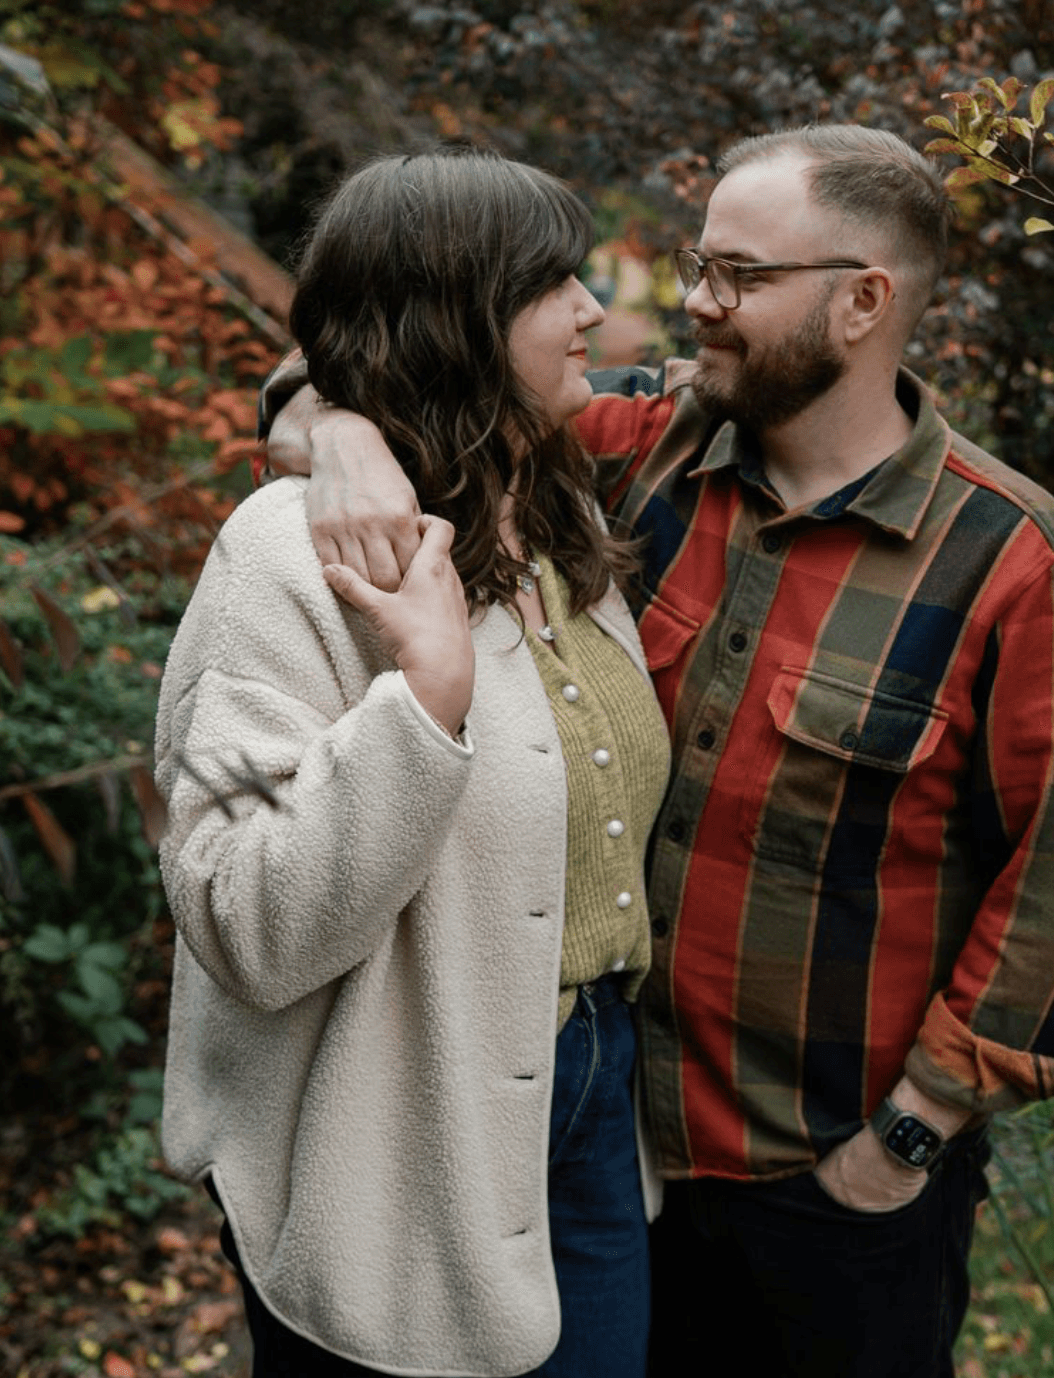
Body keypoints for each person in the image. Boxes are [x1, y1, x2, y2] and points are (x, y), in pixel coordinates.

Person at [266, 124, 1054, 1377]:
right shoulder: (639, 451)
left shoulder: (1015, 565)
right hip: (601, 1153)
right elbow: (413, 362)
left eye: (736, 275)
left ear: (861, 301)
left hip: (828, 1195)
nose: (694, 302)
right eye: (696, 264)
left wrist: (905, 1139)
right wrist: (340, 428)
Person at [153, 148, 668, 1378]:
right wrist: (422, 707)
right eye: (555, 282)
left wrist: (323, 416)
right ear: (461, 316)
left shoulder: (557, 514)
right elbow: (241, 915)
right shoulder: (282, 557)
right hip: (389, 1129)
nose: (594, 309)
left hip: (590, 1102)